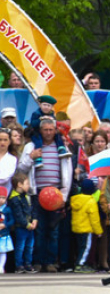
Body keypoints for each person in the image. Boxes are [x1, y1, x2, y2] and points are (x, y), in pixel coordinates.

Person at [19, 117, 73, 272]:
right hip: (37, 193)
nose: (48, 133)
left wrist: (63, 196)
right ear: (40, 130)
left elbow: (68, 174)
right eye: (45, 130)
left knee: (54, 230)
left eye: (51, 130)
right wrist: (31, 158)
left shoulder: (61, 147)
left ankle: (50, 262)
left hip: (55, 193)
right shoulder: (31, 146)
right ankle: (38, 261)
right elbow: (21, 169)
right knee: (39, 229)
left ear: (55, 130)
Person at [69, 179, 102, 273]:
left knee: (80, 247)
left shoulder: (75, 200)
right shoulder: (91, 202)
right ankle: (80, 264)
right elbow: (94, 219)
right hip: (87, 229)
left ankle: (80, 262)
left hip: (77, 228)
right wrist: (98, 231)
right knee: (86, 247)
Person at [8, 171, 36, 273]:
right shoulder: (14, 199)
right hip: (22, 227)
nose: (28, 186)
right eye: (27, 183)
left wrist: (34, 220)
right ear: (19, 184)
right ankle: (19, 265)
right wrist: (27, 224)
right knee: (20, 246)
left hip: (30, 226)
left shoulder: (26, 196)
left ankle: (28, 263)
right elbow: (18, 215)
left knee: (30, 246)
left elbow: (31, 209)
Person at [0, 186, 12, 272]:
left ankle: (1, 266)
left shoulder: (7, 209)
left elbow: (12, 220)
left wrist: (6, 225)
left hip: (4, 233)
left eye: (3, 198)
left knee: (3, 251)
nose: (1, 200)